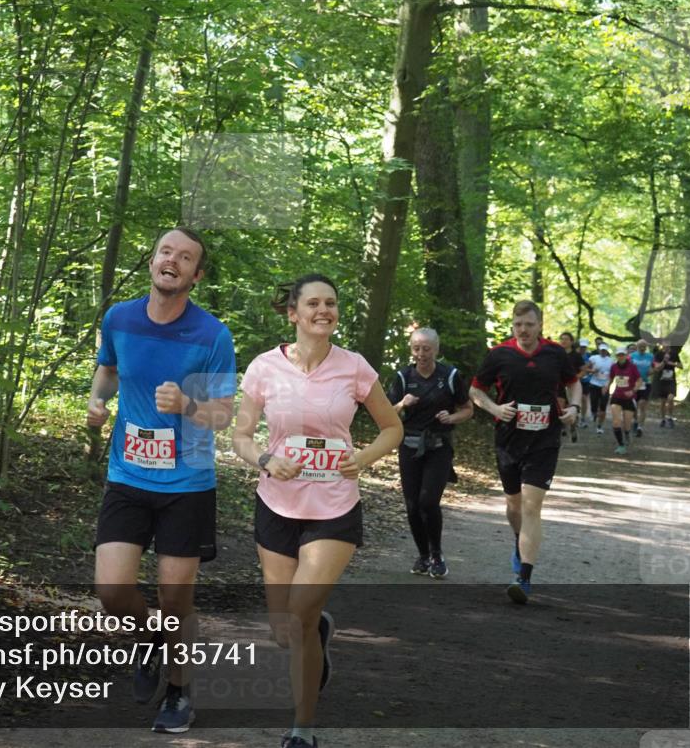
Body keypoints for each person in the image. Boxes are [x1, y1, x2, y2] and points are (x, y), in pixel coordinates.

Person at [232, 274, 403, 748]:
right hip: (277, 502)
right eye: (313, 303)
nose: (323, 310)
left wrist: (362, 459)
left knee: (302, 611)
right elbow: (241, 436)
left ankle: (301, 730)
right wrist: (266, 459)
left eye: (331, 302)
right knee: (285, 628)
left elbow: (392, 427)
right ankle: (318, 633)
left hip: (333, 504)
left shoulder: (354, 368)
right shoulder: (264, 367)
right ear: (294, 313)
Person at [87, 227, 236, 733]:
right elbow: (107, 370)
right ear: (152, 261)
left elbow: (223, 415)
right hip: (127, 474)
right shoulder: (119, 318)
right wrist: (97, 400)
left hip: (187, 483)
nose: (172, 260)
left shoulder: (212, 334)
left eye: (185, 257)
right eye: (165, 251)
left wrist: (188, 404)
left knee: (176, 598)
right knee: (111, 590)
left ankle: (178, 690)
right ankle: (151, 637)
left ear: (196, 275)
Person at [469, 300, 582, 604]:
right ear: (513, 326)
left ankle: (524, 578)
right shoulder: (499, 355)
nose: (524, 330)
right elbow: (476, 390)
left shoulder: (555, 353)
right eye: (518, 325)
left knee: (532, 506)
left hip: (545, 440)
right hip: (508, 440)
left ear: (540, 325)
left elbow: (574, 384)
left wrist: (573, 407)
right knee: (514, 505)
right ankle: (520, 541)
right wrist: (494, 407)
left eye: (529, 325)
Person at [387, 328, 473, 579]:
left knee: (428, 501)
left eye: (426, 349)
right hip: (409, 446)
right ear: (410, 349)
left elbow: (467, 409)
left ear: (436, 349)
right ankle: (423, 555)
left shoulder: (450, 375)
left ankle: (437, 554)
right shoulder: (403, 377)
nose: (421, 354)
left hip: (438, 446)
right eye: (416, 348)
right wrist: (403, 403)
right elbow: (388, 413)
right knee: (412, 505)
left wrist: (451, 417)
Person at [609, 347, 642, 455]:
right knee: (616, 421)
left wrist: (633, 391)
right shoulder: (614, 367)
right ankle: (621, 445)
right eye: (619, 355)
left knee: (627, 424)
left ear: (626, 355)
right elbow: (611, 378)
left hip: (629, 398)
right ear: (616, 356)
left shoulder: (632, 367)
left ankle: (627, 433)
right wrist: (606, 386)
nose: (621, 357)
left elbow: (639, 380)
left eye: (622, 354)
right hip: (617, 397)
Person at [558, 332, 587, 442]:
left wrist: (575, 378)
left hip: (571, 386)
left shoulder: (576, 355)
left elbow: (583, 370)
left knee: (571, 407)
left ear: (571, 341)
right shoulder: (557, 354)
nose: (563, 341)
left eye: (566, 339)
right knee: (560, 407)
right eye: (562, 339)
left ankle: (573, 428)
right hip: (559, 384)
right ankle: (561, 428)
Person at [653, 346, 683, 428]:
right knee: (663, 401)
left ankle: (670, 417)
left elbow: (681, 366)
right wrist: (664, 361)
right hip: (661, 380)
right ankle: (663, 419)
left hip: (671, 380)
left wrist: (672, 363)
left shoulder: (674, 354)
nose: (665, 345)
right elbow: (657, 368)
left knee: (670, 398)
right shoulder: (658, 354)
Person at [630, 339, 655, 436]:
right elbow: (628, 368)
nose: (642, 348)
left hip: (646, 383)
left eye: (644, 346)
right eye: (640, 346)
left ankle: (640, 427)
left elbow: (653, 368)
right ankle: (636, 421)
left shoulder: (650, 356)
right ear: (637, 346)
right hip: (634, 384)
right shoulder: (632, 356)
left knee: (642, 404)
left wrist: (652, 371)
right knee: (634, 406)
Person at [586, 344, 613, 434]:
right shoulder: (593, 358)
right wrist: (592, 371)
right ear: (599, 350)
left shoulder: (611, 361)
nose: (603, 352)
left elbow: (613, 375)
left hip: (605, 386)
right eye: (601, 350)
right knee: (593, 403)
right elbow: (586, 368)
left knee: (603, 406)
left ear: (607, 351)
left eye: (604, 350)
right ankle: (594, 413)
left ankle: (600, 426)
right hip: (594, 384)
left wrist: (608, 385)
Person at [577, 339, 592, 427]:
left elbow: (592, 368)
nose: (583, 348)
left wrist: (589, 370)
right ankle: (575, 417)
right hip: (576, 380)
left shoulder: (589, 356)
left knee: (584, 399)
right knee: (575, 399)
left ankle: (582, 418)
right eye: (581, 347)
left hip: (586, 381)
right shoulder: (575, 355)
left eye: (584, 347)